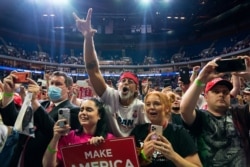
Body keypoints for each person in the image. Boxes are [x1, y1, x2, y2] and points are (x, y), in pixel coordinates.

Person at [73, 8, 149, 137]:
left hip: (130, 150)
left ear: (136, 90)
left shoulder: (140, 107)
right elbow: (93, 70)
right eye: (123, 81)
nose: (125, 83)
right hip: (108, 147)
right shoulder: (110, 96)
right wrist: (87, 38)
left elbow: (146, 134)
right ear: (118, 85)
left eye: (130, 82)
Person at [180, 57, 250, 166]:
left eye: (225, 92)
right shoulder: (200, 117)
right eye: (216, 91)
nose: (221, 94)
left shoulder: (239, 112)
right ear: (206, 96)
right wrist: (201, 78)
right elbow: (184, 109)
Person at [0, 71, 80, 167]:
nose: (53, 86)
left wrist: (33, 100)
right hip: (19, 159)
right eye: (52, 83)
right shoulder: (42, 104)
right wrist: (8, 93)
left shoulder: (73, 111)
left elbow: (53, 133)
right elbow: (13, 121)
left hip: (39, 162)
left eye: (58, 84)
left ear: (69, 89)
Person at [130, 91, 202, 167]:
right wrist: (143, 156)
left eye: (157, 104)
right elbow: (126, 163)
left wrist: (172, 155)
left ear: (167, 108)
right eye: (148, 104)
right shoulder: (138, 131)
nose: (151, 107)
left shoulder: (179, 133)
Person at [42, 98, 115, 167]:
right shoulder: (70, 136)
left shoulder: (109, 139)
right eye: (81, 109)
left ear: (99, 115)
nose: (83, 113)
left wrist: (101, 147)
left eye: (89, 110)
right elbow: (47, 165)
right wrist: (55, 138)